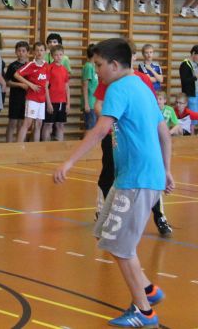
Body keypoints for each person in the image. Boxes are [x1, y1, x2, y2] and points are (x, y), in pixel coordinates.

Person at [53, 38, 173, 328]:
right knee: (104, 231)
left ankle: (144, 312)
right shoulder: (144, 87)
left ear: (115, 65)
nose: (97, 72)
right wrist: (167, 171)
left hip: (137, 179)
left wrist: (68, 162)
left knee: (121, 247)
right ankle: (148, 289)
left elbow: (101, 130)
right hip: (136, 176)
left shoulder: (119, 88)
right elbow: (164, 133)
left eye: (98, 66)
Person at [15, 41, 50, 143]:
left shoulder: (47, 66)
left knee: (39, 124)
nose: (39, 52)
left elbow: (46, 84)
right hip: (32, 99)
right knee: (27, 123)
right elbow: (17, 75)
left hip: (42, 100)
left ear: (45, 51)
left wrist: (48, 102)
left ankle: (35, 148)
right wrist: (30, 84)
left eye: (41, 50)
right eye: (37, 50)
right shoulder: (31, 64)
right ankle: (18, 147)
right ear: (34, 52)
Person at [42, 45, 69, 141]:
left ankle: (59, 148)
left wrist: (68, 103)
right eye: (56, 55)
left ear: (63, 55)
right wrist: (48, 102)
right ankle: (45, 148)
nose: (59, 57)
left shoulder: (65, 70)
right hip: (52, 101)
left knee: (60, 125)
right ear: (52, 56)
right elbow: (45, 86)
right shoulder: (49, 68)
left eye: (60, 55)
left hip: (62, 102)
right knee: (48, 125)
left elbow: (66, 87)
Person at [4, 41, 30, 142]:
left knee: (22, 123)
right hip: (15, 98)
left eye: (23, 51)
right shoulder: (12, 66)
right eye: (19, 51)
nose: (21, 53)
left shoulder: (30, 66)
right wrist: (19, 84)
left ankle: (19, 145)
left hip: (27, 98)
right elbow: (7, 82)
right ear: (16, 52)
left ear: (27, 52)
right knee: (12, 123)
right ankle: (8, 145)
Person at [179, 44, 198, 129]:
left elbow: (196, 79)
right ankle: (190, 137)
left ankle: (191, 136)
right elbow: (185, 80)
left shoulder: (196, 63)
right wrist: (196, 77)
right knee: (191, 118)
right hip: (190, 94)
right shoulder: (185, 64)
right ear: (193, 53)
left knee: (194, 118)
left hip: (197, 93)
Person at [81, 44, 98, 130]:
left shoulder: (95, 66)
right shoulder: (88, 66)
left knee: (96, 128)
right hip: (90, 103)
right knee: (90, 128)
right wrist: (86, 104)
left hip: (95, 103)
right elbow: (85, 86)